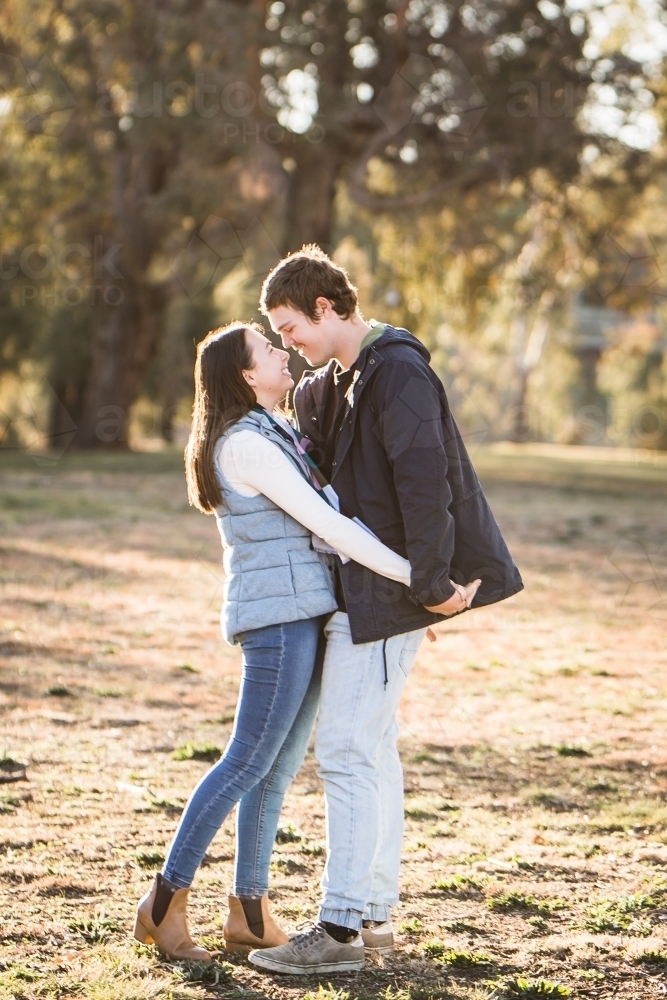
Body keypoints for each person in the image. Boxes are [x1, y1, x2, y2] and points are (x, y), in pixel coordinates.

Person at [248, 246, 523, 976]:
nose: (286, 343)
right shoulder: (343, 379)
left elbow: (424, 480)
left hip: (390, 594)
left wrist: (430, 584)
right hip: (368, 590)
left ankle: (336, 931)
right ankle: (370, 915)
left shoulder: (395, 371)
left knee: (344, 750)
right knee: (369, 751)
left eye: (289, 325)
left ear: (327, 308)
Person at [133, 322, 424, 961]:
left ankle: (250, 911)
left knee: (275, 769)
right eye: (269, 349)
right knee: (245, 761)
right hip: (279, 622)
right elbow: (327, 521)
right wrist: (416, 577)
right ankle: (163, 902)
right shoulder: (244, 445)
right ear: (244, 375)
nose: (282, 352)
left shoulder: (273, 430)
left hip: (304, 613)